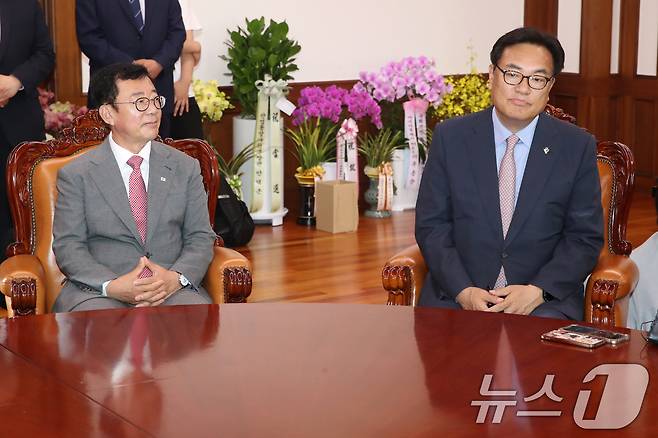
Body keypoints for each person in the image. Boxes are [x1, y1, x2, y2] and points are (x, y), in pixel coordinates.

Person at [415, 27, 604, 320]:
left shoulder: (575, 147)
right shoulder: (451, 137)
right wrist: (463, 290)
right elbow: (432, 225)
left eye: (537, 78)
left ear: (550, 86)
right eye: (512, 74)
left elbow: (583, 238)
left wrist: (538, 290)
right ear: (492, 74)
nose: (523, 88)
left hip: (543, 303)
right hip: (457, 297)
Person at [52, 63, 216, 312]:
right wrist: (112, 285)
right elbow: (69, 245)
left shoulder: (185, 167)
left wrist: (174, 279)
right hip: (100, 292)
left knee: (195, 325)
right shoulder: (77, 174)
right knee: (95, 327)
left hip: (170, 289)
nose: (152, 111)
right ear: (108, 114)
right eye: (140, 103)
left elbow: (201, 237)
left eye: (155, 100)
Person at [76, 0, 185, 138]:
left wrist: (159, 62)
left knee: (159, 153)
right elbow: (89, 38)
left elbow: (177, 32)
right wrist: (130, 65)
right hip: (110, 91)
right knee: (108, 155)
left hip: (158, 87)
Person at [0, 0, 55, 259]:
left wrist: (16, 81)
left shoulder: (24, 4)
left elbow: (45, 54)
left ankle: (21, 288)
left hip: (20, 127)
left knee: (23, 218)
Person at [170, 0, 204, 140]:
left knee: (192, 153)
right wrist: (195, 46)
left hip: (181, 93)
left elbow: (189, 50)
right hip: (145, 93)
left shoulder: (182, 3)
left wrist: (184, 83)